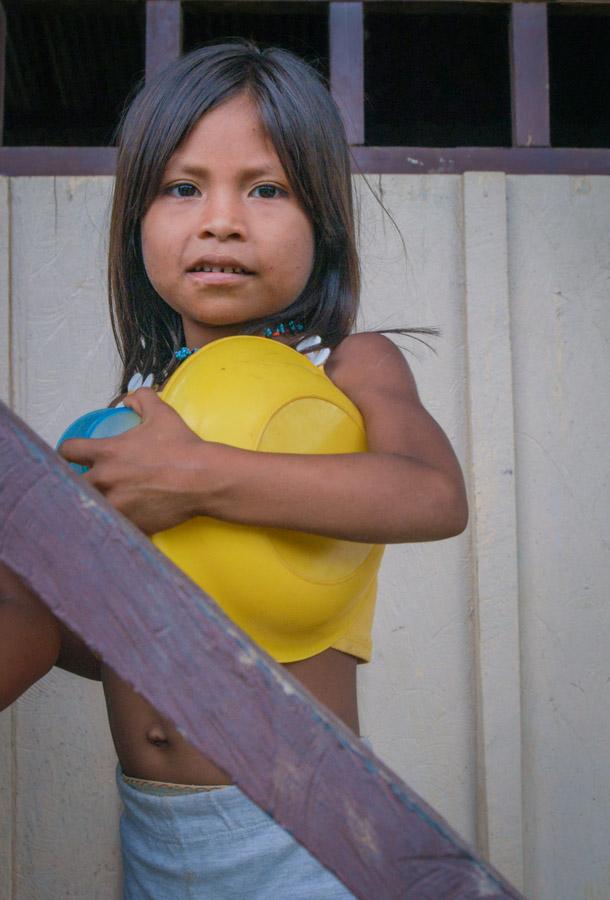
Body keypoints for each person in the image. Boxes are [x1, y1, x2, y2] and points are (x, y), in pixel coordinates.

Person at [1, 42, 468, 899]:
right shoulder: (144, 402)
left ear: (322, 222)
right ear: (136, 220)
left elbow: (433, 495)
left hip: (299, 831)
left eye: (267, 189)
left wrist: (198, 474)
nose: (221, 220)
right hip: (150, 831)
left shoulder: (348, 365)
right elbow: (133, 633)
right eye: (183, 188)